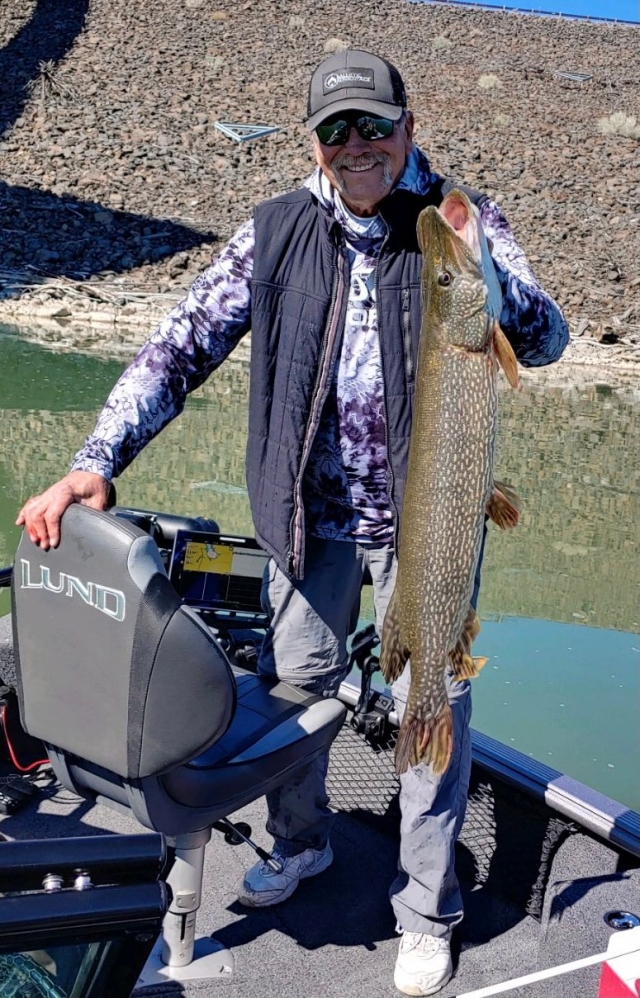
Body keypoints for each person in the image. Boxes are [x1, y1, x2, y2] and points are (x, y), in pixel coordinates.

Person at [17, 49, 569, 996]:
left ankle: (426, 909)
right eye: (335, 130)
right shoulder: (274, 231)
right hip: (308, 521)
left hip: (425, 525)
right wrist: (92, 464)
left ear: (409, 123)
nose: (357, 147)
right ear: (313, 139)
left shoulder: (455, 225)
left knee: (429, 696)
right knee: (295, 687)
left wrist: (484, 274)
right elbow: (179, 345)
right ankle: (302, 845)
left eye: (374, 126)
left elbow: (547, 339)